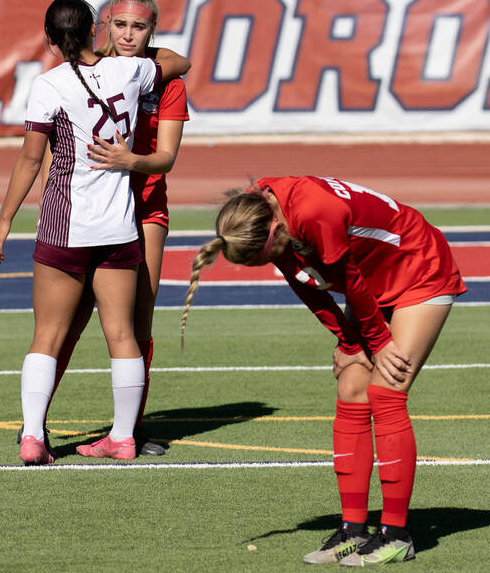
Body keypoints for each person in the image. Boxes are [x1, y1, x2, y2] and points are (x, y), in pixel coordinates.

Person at [180, 176, 466, 566]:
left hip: (418, 267)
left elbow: (344, 278)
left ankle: (397, 534)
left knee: (387, 389)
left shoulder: (314, 211)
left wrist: (377, 343)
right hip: (370, 279)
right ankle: (353, 529)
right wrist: (347, 341)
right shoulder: (263, 213)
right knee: (351, 386)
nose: (273, 260)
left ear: (276, 229)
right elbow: (308, 286)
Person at [0, 0, 190, 465]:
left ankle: (35, 434)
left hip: (71, 223)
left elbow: (32, 157)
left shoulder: (49, 84)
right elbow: (181, 61)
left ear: (49, 39)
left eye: (137, 26)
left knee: (51, 334)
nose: (127, 34)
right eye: (118, 24)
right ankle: (121, 436)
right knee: (116, 333)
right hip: (119, 222)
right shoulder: (128, 72)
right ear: (99, 29)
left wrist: (4, 219)